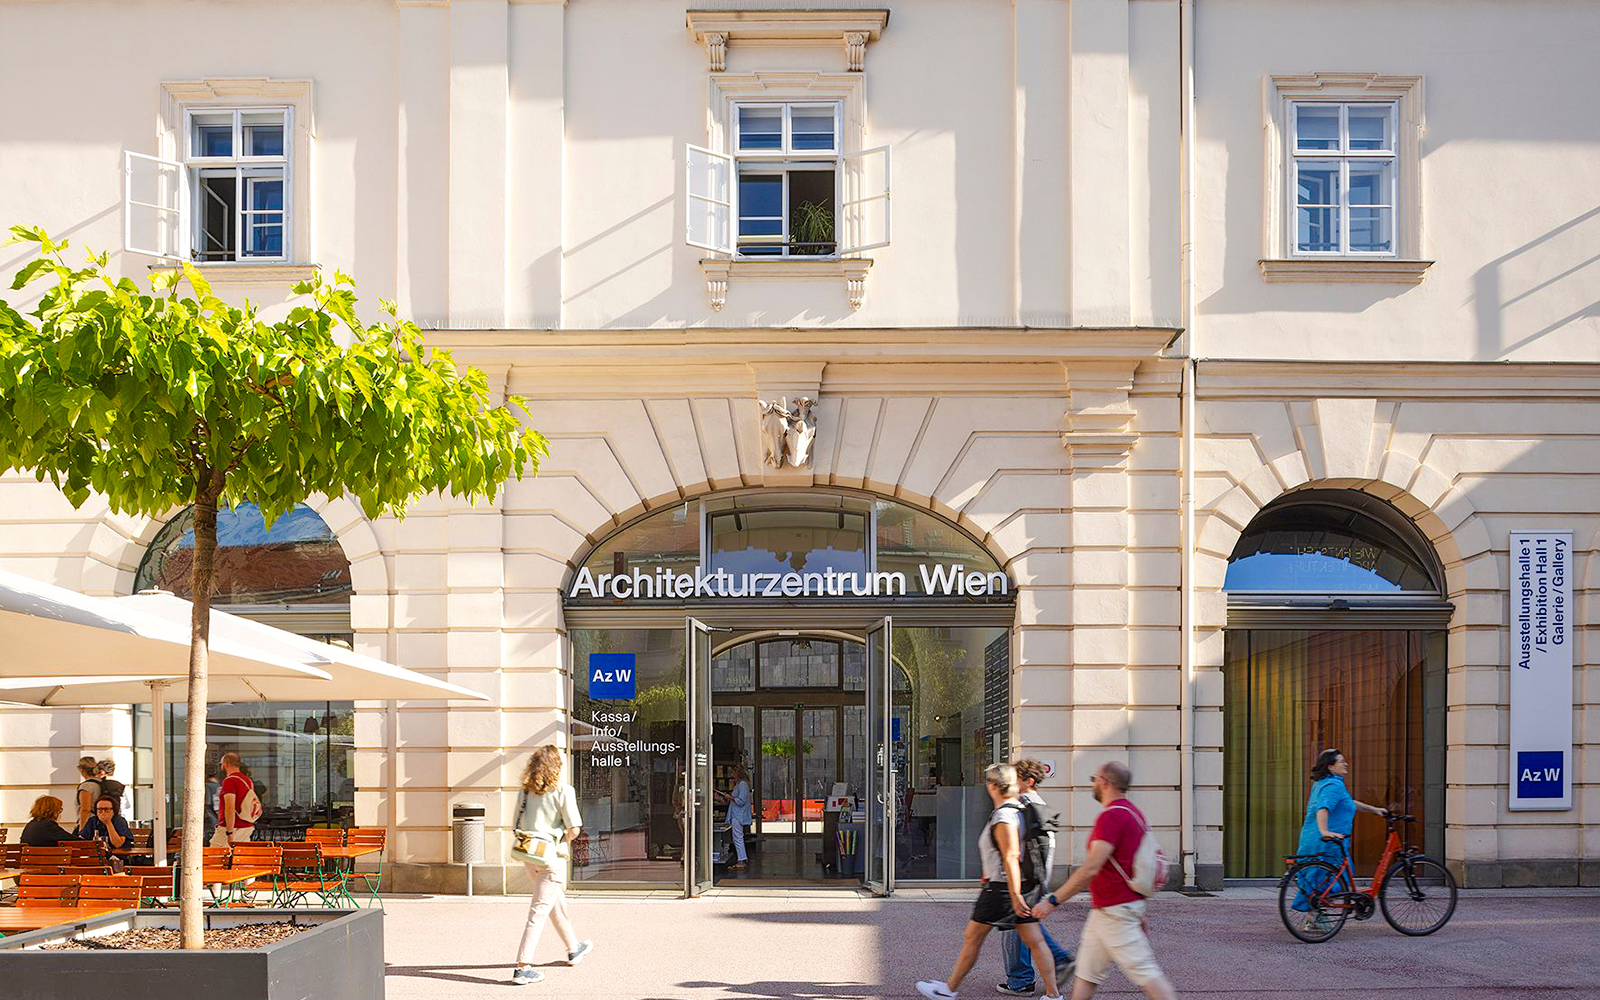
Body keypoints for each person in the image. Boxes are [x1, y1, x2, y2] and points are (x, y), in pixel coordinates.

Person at [915, 764, 1062, 1000]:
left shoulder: (1004, 816)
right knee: (1035, 941)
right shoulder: (1018, 810)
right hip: (1016, 888)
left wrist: (1014, 896)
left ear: (993, 786)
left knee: (972, 938)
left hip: (1001, 890)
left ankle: (948, 989)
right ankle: (1054, 995)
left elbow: (1011, 856)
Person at [1031, 762, 1176, 1000]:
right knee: (1087, 975)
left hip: (1115, 912)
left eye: (1094, 778)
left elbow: (1090, 868)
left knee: (1147, 973)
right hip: (1108, 911)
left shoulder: (1111, 817)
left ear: (1104, 783)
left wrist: (1053, 900)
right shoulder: (1132, 812)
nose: (1093, 783)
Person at [510, 745, 594, 986]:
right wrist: (562, 839)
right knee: (538, 911)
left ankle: (573, 947)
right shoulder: (563, 791)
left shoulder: (525, 792)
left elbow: (514, 823)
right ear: (557, 766)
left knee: (555, 902)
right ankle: (523, 966)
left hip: (529, 855)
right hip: (551, 858)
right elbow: (574, 829)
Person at [999, 759, 1075, 996]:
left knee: (1020, 924)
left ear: (1028, 781)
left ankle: (1024, 978)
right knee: (1024, 924)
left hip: (1024, 877)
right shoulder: (1040, 804)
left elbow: (1015, 844)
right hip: (1038, 875)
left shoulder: (1022, 805)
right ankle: (1025, 976)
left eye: (1016, 778)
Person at [1291, 748, 1389, 915]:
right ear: (1331, 766)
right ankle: (1315, 920)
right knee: (1332, 880)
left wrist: (1374, 810)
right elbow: (1323, 808)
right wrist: (1325, 831)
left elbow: (1347, 802)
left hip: (1312, 839)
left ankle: (1314, 918)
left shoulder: (1324, 783)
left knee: (1319, 880)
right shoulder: (1333, 786)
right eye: (1342, 761)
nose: (1346, 764)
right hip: (1328, 841)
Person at [714, 760, 753, 871]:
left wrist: (729, 797)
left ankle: (741, 859)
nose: (731, 775)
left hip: (738, 815)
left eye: (733, 773)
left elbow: (741, 801)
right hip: (737, 814)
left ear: (737, 773)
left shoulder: (742, 785)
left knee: (738, 837)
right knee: (737, 837)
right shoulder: (740, 785)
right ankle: (741, 858)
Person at [217, 752, 257, 843]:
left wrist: (229, 832)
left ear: (226, 764)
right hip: (247, 826)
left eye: (221, 764)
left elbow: (230, 807)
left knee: (215, 854)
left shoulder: (230, 781)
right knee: (240, 855)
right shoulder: (248, 781)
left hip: (233, 827)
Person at [74, 756, 101, 832]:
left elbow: (86, 809)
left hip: (89, 825)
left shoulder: (86, 786)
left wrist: (81, 829)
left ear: (82, 770)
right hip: (101, 823)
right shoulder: (101, 783)